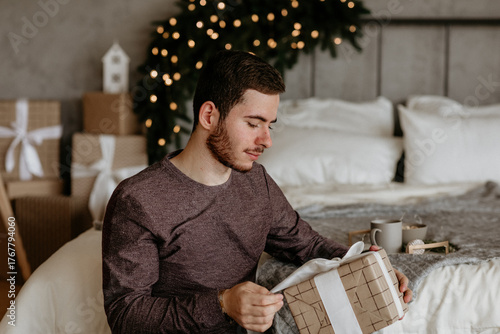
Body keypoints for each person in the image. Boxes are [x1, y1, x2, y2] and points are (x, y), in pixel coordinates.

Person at [102, 50, 412, 334]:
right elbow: (125, 314)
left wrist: (372, 269)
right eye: (253, 123)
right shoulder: (139, 200)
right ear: (209, 116)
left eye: (270, 125)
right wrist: (223, 303)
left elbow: (304, 244)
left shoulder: (256, 183)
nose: (267, 140)